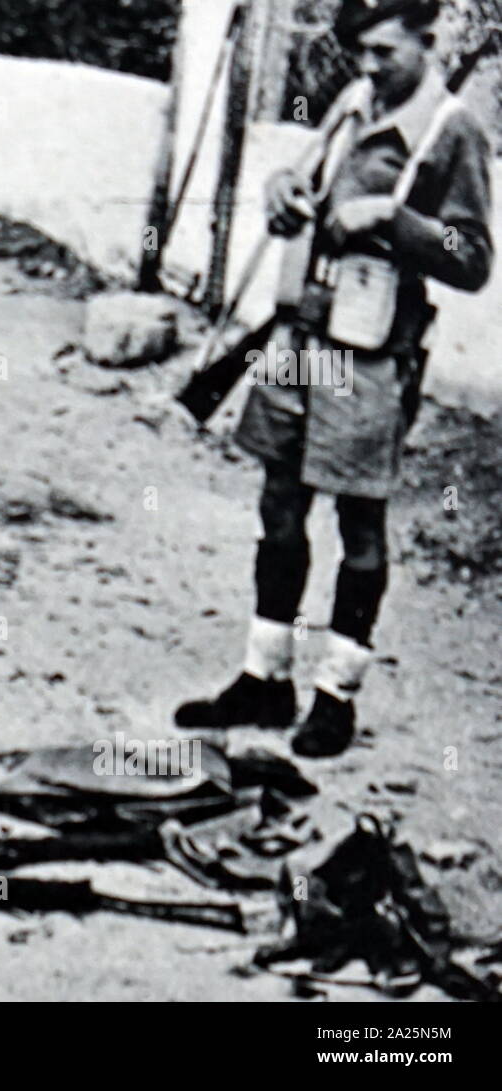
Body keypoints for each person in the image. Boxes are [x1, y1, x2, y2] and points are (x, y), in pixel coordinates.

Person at [177, 0, 492, 757]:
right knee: (279, 504)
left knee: (359, 521)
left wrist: (393, 218)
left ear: (426, 38)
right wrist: (281, 189)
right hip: (300, 332)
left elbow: (473, 255)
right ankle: (265, 677)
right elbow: (304, 178)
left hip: (371, 351)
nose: (369, 67)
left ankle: (336, 694)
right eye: (362, 53)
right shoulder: (353, 102)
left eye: (385, 52)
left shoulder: (452, 130)